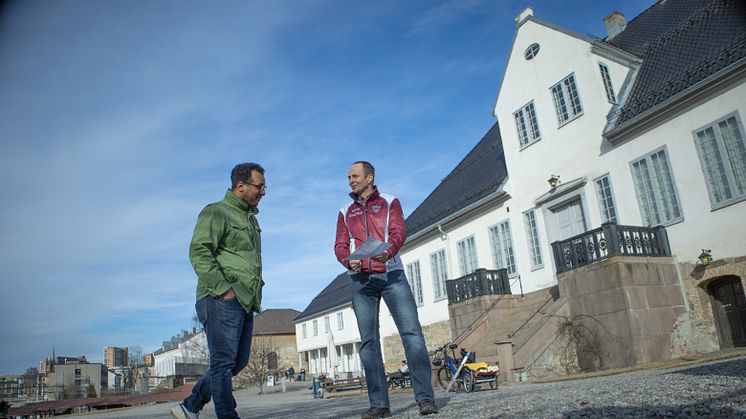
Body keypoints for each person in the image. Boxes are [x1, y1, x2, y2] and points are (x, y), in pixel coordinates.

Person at [334, 161, 438, 418]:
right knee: (368, 342)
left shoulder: (391, 202)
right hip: (360, 279)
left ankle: (425, 399)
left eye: (355, 176)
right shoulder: (345, 210)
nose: (351, 180)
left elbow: (398, 232)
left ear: (369, 177)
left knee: (412, 334)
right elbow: (339, 245)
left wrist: (388, 251)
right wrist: (348, 260)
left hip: (392, 274)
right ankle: (379, 405)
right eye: (348, 177)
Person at [171, 162, 267, 419]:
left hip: (245, 300)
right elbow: (199, 251)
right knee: (223, 363)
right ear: (240, 185)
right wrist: (223, 289)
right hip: (220, 297)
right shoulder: (217, 212)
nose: (263, 192)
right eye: (260, 186)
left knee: (237, 362)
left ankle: (190, 406)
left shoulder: (250, 219)